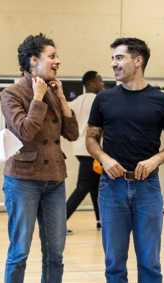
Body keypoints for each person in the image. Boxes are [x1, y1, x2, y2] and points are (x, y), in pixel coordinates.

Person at [86, 37, 164, 283]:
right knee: (114, 260)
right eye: (112, 58)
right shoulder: (104, 100)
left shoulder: (162, 101)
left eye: (119, 58)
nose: (113, 64)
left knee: (149, 260)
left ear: (137, 60)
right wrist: (104, 157)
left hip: (147, 189)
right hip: (111, 188)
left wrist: (155, 159)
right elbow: (90, 139)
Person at [0, 33, 79, 283]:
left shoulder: (55, 90)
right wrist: (36, 97)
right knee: (19, 250)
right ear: (34, 61)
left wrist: (59, 98)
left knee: (56, 251)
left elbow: (72, 132)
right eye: (52, 56)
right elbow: (24, 131)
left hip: (55, 180)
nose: (57, 61)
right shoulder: (11, 94)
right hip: (22, 180)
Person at [66, 71, 105, 233]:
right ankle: (59, 221)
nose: (102, 84)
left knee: (95, 186)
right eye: (100, 80)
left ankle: (101, 220)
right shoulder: (99, 100)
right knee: (83, 187)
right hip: (92, 149)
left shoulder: (76, 101)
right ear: (92, 82)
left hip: (79, 148)